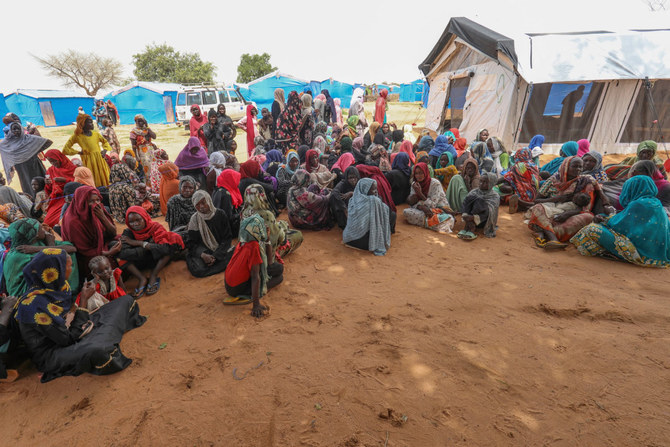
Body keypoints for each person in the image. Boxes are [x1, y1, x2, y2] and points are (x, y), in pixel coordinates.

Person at [15, 249, 145, 383]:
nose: (71, 269)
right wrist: (83, 300)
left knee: (125, 301)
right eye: (68, 266)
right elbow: (67, 339)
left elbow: (69, 316)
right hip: (53, 352)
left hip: (71, 329)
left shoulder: (57, 287)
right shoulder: (33, 306)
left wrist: (77, 311)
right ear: (55, 271)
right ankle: (100, 340)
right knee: (99, 350)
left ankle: (99, 336)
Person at [571, 176, 670, 267]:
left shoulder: (638, 204)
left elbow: (619, 227)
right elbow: (630, 223)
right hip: (656, 252)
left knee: (592, 229)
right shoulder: (656, 203)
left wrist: (608, 216)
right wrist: (608, 217)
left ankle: (612, 254)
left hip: (639, 252)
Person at [527, 156, 613, 249]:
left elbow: (587, 206)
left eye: (580, 167)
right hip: (551, 208)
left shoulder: (585, 180)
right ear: (566, 166)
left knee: (588, 217)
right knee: (538, 208)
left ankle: (541, 232)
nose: (578, 169)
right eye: (575, 166)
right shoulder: (553, 180)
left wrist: (569, 213)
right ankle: (553, 238)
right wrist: (556, 199)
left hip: (572, 212)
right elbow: (536, 200)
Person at [224, 214, 285, 318]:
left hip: (228, 284)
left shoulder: (244, 239)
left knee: (277, 268)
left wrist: (267, 239)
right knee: (279, 277)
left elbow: (270, 263)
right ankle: (252, 296)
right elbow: (255, 276)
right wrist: (256, 305)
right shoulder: (253, 246)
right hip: (236, 289)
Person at [3, 218, 78, 297]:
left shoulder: (37, 242)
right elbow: (53, 266)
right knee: (64, 259)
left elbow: (72, 248)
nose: (44, 230)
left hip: (44, 287)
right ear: (36, 234)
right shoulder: (19, 255)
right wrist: (50, 244)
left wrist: (38, 249)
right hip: (27, 296)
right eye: (41, 228)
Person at [119, 206, 184, 297]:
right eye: (131, 222)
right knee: (118, 254)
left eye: (138, 220)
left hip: (157, 260)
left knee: (170, 245)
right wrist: (149, 246)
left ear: (145, 217)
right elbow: (123, 253)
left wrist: (139, 243)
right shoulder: (128, 233)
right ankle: (142, 278)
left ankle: (154, 274)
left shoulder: (155, 227)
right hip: (140, 262)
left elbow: (165, 248)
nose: (135, 224)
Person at [62, 186, 117, 279]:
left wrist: (103, 218)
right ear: (82, 202)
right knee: (104, 265)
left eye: (98, 200)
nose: (96, 204)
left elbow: (113, 233)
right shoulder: (73, 221)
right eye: (91, 201)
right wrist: (108, 253)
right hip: (86, 257)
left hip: (101, 246)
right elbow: (83, 251)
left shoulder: (99, 210)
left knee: (123, 242)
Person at [186, 190, 234, 278]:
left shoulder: (220, 214)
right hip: (204, 251)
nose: (201, 207)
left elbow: (227, 238)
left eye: (204, 203)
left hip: (219, 249)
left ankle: (214, 262)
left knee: (234, 254)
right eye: (197, 204)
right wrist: (203, 255)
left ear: (209, 200)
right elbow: (191, 243)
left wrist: (215, 256)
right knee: (198, 269)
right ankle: (218, 264)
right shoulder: (195, 219)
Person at [343, 178, 392, 256]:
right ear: (365, 189)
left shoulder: (353, 199)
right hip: (363, 242)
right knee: (390, 213)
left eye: (376, 189)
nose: (376, 191)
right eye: (373, 189)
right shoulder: (373, 201)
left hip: (349, 238)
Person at [403, 163, 454, 233]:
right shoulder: (414, 184)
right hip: (424, 210)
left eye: (421, 173)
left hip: (439, 209)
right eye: (416, 173)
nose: (418, 176)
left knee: (449, 218)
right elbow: (412, 203)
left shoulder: (435, 183)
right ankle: (432, 224)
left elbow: (433, 205)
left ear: (425, 172)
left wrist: (420, 193)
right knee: (406, 212)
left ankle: (429, 223)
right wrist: (421, 207)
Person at [62, 115, 111, 187]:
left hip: (100, 159)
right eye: (90, 122)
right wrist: (78, 152)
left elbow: (105, 142)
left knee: (103, 176)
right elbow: (66, 149)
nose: (92, 124)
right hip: (89, 161)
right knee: (93, 176)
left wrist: (105, 150)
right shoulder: (77, 136)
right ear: (83, 124)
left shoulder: (96, 134)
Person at [0, 122, 49, 193]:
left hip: (34, 163)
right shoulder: (8, 142)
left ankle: (46, 195)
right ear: (11, 131)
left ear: (21, 129)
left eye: (18, 129)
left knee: (40, 179)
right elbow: (4, 149)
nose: (16, 131)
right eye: (14, 129)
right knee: (27, 183)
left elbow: (44, 142)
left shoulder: (28, 138)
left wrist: (34, 151)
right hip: (21, 166)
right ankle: (32, 198)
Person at [458, 172, 501, 240]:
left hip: (483, 221)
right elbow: (465, 203)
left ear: (491, 183)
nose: (481, 184)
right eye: (480, 181)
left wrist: (474, 217)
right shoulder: (474, 191)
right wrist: (465, 214)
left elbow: (491, 211)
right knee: (471, 197)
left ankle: (472, 228)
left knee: (479, 200)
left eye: (485, 182)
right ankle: (468, 226)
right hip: (468, 218)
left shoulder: (495, 196)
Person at [43, 149, 77, 227]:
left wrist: (65, 180)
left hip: (70, 197)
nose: (53, 164)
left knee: (63, 220)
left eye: (55, 161)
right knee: (48, 222)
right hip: (57, 199)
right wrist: (48, 183)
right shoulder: (51, 170)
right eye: (50, 162)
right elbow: (49, 190)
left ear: (60, 158)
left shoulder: (72, 169)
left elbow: (79, 183)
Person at [502, 147, 541, 213]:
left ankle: (519, 203)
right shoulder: (535, 166)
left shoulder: (517, 166)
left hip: (522, 196)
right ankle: (526, 206)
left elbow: (506, 177)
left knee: (503, 189)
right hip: (535, 196)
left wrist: (495, 183)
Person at [213, 169, 242, 234]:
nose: (239, 182)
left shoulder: (219, 189)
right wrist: (241, 215)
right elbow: (228, 217)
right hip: (226, 231)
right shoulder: (226, 195)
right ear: (231, 180)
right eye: (236, 179)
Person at [128, 114, 156, 180]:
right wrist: (136, 156)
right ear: (136, 122)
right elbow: (133, 145)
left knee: (153, 167)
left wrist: (147, 127)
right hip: (142, 152)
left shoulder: (147, 129)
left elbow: (154, 137)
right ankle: (148, 184)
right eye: (139, 121)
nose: (141, 123)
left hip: (151, 151)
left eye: (142, 121)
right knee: (146, 168)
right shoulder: (134, 132)